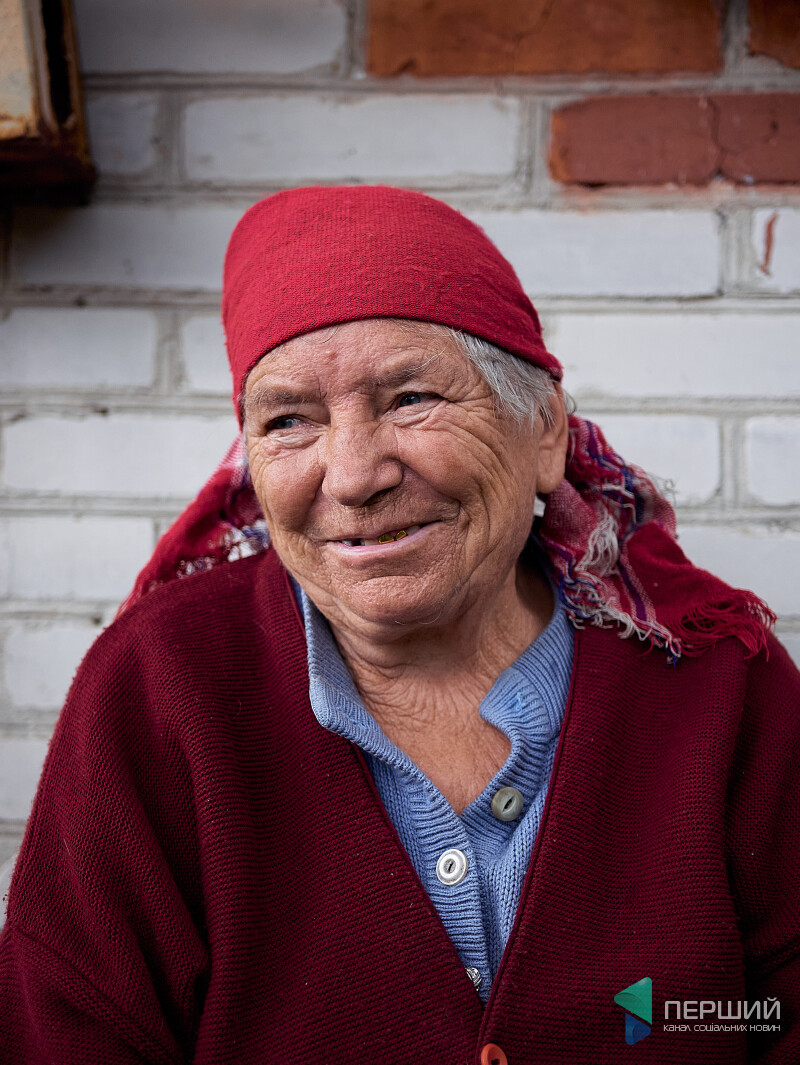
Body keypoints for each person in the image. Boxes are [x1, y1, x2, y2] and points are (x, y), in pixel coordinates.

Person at [0, 185, 798, 1065]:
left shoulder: (720, 682)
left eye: (411, 398)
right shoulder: (159, 689)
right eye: (289, 420)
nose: (352, 475)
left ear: (543, 432)